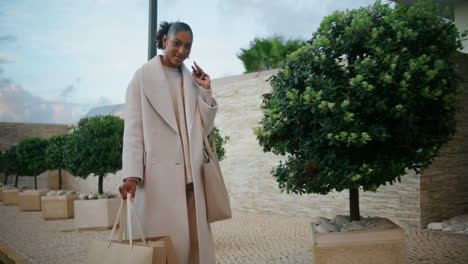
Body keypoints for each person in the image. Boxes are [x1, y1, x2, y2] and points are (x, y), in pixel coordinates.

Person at [118, 21, 218, 264]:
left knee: (193, 249)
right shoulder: (142, 77)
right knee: (164, 250)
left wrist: (206, 90)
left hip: (192, 179)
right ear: (164, 41)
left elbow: (205, 128)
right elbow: (133, 131)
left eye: (187, 46)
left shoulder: (192, 80)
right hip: (158, 179)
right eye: (177, 43)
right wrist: (131, 175)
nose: (182, 51)